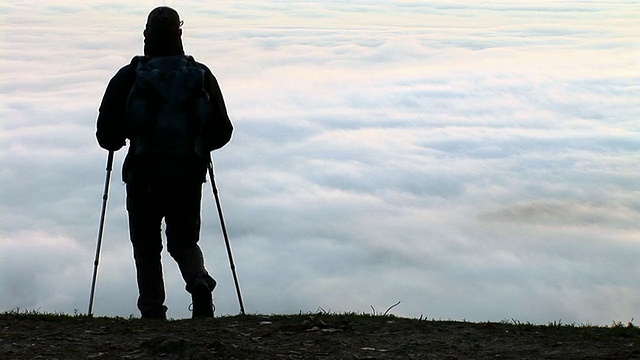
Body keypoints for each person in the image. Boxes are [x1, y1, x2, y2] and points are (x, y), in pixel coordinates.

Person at [96, 6, 233, 319]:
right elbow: (223, 131)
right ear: (179, 34)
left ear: (146, 35)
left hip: (142, 175)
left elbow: (107, 136)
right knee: (184, 241)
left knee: (146, 248)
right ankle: (198, 280)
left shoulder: (128, 77)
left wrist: (125, 137)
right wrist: (197, 144)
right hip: (187, 173)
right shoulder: (199, 75)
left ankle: (153, 311)